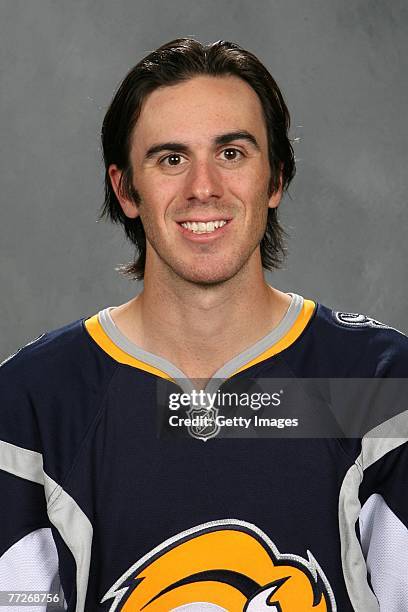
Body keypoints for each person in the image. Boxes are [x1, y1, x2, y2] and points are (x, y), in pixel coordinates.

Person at [0, 38, 407, 612]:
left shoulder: (379, 384)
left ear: (276, 179)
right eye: (171, 159)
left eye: (232, 154)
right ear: (125, 189)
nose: (203, 188)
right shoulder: (30, 401)